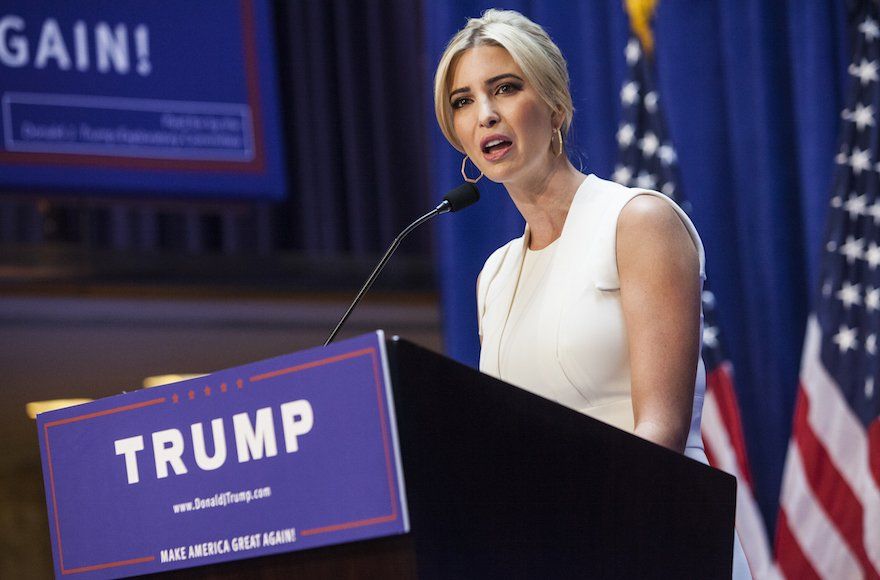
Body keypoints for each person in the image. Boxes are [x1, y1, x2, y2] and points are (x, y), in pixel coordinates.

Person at [433, 9, 751, 578]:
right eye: (463, 101)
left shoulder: (638, 223)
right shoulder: (495, 275)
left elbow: (659, 431)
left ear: (556, 106)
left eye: (505, 88)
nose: (485, 114)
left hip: (657, 540)